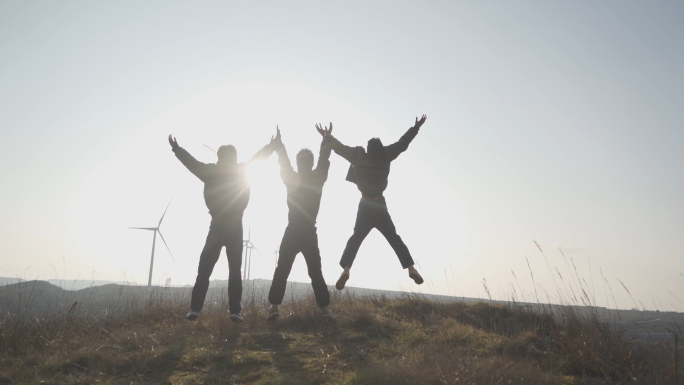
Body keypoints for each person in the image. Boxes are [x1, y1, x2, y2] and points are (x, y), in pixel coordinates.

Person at [168, 132, 277, 322]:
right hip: (235, 227)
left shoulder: (211, 171)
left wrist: (177, 149)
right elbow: (259, 159)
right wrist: (272, 144)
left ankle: (195, 310)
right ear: (233, 158)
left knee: (204, 270)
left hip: (217, 227)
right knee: (235, 272)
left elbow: (192, 164)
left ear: (219, 157)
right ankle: (235, 311)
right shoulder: (242, 170)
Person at [325, 115, 428, 290]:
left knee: (356, 238)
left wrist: (327, 136)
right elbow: (403, 143)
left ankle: (346, 270)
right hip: (380, 205)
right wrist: (416, 127)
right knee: (394, 238)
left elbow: (339, 148)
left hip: (365, 204)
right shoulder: (386, 156)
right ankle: (411, 268)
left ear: (368, 149)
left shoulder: (358, 157)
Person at [267, 124, 333, 320]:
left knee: (282, 269)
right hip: (309, 231)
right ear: (310, 163)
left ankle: (274, 308)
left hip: (292, 230)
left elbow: (284, 163)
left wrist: (279, 144)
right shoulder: (317, 178)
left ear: (298, 163)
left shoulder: (292, 178)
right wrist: (326, 140)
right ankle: (324, 310)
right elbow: (324, 160)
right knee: (315, 271)